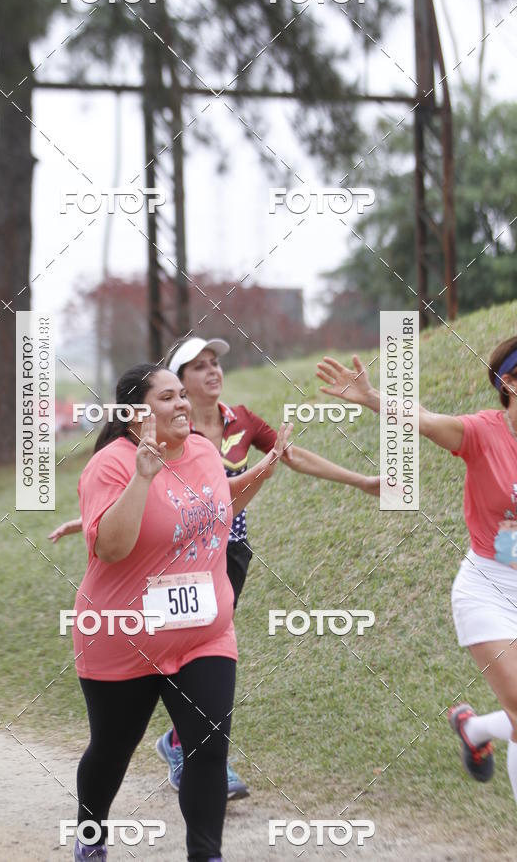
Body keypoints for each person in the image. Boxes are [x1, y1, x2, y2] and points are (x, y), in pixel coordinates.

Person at [50, 337, 380, 800]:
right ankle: (179, 747)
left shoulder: (238, 419)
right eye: (198, 367)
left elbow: (286, 456)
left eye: (215, 364)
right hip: (159, 571)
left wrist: (362, 481)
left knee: (203, 661)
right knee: (136, 708)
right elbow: (143, 506)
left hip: (226, 553)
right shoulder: (144, 444)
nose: (212, 372)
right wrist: (96, 524)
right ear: (177, 380)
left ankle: (193, 749)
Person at [71, 362, 290, 862]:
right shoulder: (110, 466)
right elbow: (111, 548)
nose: (182, 404)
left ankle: (205, 855)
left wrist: (263, 470)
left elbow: (218, 506)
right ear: (134, 414)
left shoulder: (204, 452)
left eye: (181, 395)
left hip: (202, 635)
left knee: (208, 749)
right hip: (124, 635)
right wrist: (143, 477)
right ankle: (91, 838)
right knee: (111, 751)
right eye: (166, 397)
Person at [316, 339, 517, 802]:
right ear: (509, 383)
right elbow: (423, 419)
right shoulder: (483, 433)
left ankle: (474, 728)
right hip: (489, 590)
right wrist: (371, 398)